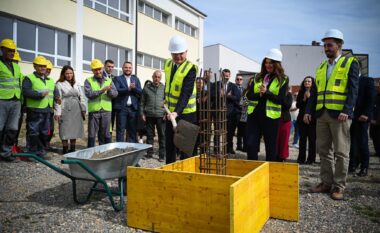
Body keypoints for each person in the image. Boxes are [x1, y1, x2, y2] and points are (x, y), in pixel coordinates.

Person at [306, 29, 359, 200]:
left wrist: (347, 110)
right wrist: (308, 111)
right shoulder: (322, 66)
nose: (326, 48)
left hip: (340, 115)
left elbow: (353, 89)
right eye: (325, 45)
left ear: (339, 45)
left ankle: (339, 186)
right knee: (324, 151)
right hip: (322, 114)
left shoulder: (350, 62)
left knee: (341, 152)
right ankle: (326, 182)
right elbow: (314, 92)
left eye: (330, 45)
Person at [245, 48, 289, 161]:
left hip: (271, 117)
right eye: (266, 62)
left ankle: (269, 171)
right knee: (250, 145)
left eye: (271, 63)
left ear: (277, 64)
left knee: (271, 147)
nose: (267, 65)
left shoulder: (283, 79)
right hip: (254, 115)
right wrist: (259, 95)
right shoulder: (257, 77)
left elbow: (281, 100)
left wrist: (267, 93)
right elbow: (249, 95)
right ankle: (252, 170)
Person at [164, 35, 197, 164]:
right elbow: (168, 84)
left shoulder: (191, 68)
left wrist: (176, 112)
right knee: (170, 144)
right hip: (170, 113)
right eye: (175, 54)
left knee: (186, 148)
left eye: (181, 54)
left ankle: (187, 174)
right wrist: (164, 100)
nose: (178, 57)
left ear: (186, 51)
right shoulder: (168, 63)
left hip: (187, 114)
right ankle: (169, 170)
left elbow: (186, 93)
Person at [23, 56, 54, 158]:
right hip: (35, 110)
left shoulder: (50, 80)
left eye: (44, 66)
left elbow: (54, 92)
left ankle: (41, 152)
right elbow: (26, 91)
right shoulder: (29, 78)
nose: (43, 68)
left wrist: (57, 97)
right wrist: (39, 95)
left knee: (44, 132)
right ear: (35, 66)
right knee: (34, 132)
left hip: (47, 110)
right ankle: (32, 153)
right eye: (40, 66)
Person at [84, 59, 118, 147]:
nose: (98, 71)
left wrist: (109, 91)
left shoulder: (109, 80)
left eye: (99, 69)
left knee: (106, 133)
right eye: (95, 69)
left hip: (106, 111)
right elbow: (89, 94)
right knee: (92, 134)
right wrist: (101, 91)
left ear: (102, 68)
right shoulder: (88, 81)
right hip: (94, 111)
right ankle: (90, 152)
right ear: (92, 70)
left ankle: (106, 151)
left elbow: (115, 94)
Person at [54, 65, 86, 154]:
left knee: (74, 129)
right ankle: (65, 149)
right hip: (65, 108)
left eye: (71, 73)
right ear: (63, 74)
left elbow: (81, 96)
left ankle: (72, 148)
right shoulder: (59, 84)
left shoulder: (77, 83)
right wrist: (58, 113)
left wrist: (83, 108)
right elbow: (58, 100)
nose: (69, 75)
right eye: (67, 73)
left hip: (76, 109)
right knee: (64, 129)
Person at [0, 39, 23, 162]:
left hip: (15, 101)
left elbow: (19, 83)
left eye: (13, 51)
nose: (12, 53)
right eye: (9, 50)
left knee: (12, 128)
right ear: (2, 49)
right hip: (2, 100)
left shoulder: (16, 66)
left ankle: (6, 153)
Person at [349, 75, 376, 176]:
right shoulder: (348, 80)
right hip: (349, 116)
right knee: (352, 142)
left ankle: (364, 167)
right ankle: (353, 164)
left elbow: (371, 98)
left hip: (361, 116)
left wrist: (366, 113)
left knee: (362, 142)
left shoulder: (367, 80)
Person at [212, 69, 241, 154]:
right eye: (225, 75)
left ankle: (228, 149)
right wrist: (218, 94)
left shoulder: (233, 86)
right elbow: (211, 94)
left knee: (229, 131)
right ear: (221, 75)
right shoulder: (216, 84)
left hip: (229, 112)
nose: (226, 77)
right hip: (217, 111)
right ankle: (216, 149)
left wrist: (227, 96)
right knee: (217, 132)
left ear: (230, 76)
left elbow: (237, 98)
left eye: (228, 76)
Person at [140, 70, 166, 161]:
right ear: (152, 77)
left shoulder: (164, 88)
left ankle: (162, 155)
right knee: (149, 136)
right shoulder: (146, 88)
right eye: (155, 77)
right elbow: (142, 102)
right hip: (149, 115)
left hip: (160, 115)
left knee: (162, 136)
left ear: (160, 78)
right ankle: (149, 154)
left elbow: (167, 101)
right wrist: (142, 113)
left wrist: (166, 113)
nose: (156, 79)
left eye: (159, 77)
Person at [113, 61, 142, 142]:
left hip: (133, 108)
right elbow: (116, 90)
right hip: (122, 108)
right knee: (120, 130)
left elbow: (140, 91)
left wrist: (134, 88)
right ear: (122, 68)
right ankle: (120, 148)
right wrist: (128, 89)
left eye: (129, 68)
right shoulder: (117, 78)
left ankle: (130, 147)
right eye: (126, 67)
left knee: (132, 130)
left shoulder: (136, 79)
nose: (128, 69)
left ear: (132, 69)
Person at [296, 76, 317, 164]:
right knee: (302, 140)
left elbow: (315, 105)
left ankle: (311, 159)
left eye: (309, 81)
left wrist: (309, 97)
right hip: (301, 119)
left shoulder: (316, 93)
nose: (307, 83)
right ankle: (301, 158)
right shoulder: (301, 92)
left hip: (312, 119)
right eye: (305, 81)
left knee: (312, 140)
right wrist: (304, 99)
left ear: (312, 83)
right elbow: (298, 105)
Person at [276, 87, 292, 161]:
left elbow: (287, 105)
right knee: (276, 138)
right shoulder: (275, 93)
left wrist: (281, 96)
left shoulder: (288, 95)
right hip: (275, 117)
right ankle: (276, 154)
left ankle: (283, 155)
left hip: (285, 119)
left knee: (284, 138)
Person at [103, 59, 116, 139]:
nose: (110, 68)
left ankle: (108, 140)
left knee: (111, 124)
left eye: (112, 67)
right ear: (104, 66)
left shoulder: (114, 78)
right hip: (103, 104)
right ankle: (103, 142)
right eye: (108, 66)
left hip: (112, 104)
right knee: (104, 126)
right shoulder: (100, 76)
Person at [45, 60, 56, 151]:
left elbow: (55, 95)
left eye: (49, 70)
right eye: (47, 69)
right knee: (39, 129)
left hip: (49, 109)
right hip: (38, 108)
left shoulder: (51, 81)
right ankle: (40, 146)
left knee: (50, 129)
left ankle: (46, 144)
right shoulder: (34, 79)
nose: (48, 71)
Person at [235, 75, 246, 152]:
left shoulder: (245, 90)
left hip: (243, 113)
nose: (239, 80)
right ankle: (231, 147)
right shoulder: (232, 88)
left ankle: (239, 146)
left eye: (240, 79)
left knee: (241, 130)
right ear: (235, 80)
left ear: (242, 81)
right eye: (237, 79)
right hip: (235, 112)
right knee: (231, 130)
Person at [370, 82, 380, 161]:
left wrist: (377, 121)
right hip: (373, 120)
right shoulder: (376, 95)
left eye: (378, 86)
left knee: (377, 137)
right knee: (374, 136)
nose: (376, 87)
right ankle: (377, 151)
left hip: (377, 121)